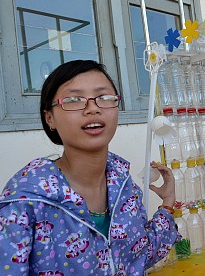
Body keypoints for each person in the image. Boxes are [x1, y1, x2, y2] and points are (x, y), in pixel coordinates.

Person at [0, 60, 181, 275]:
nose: (93, 108)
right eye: (74, 99)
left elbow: (139, 257)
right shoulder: (25, 201)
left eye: (104, 97)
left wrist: (168, 204)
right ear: (50, 118)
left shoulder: (124, 187)